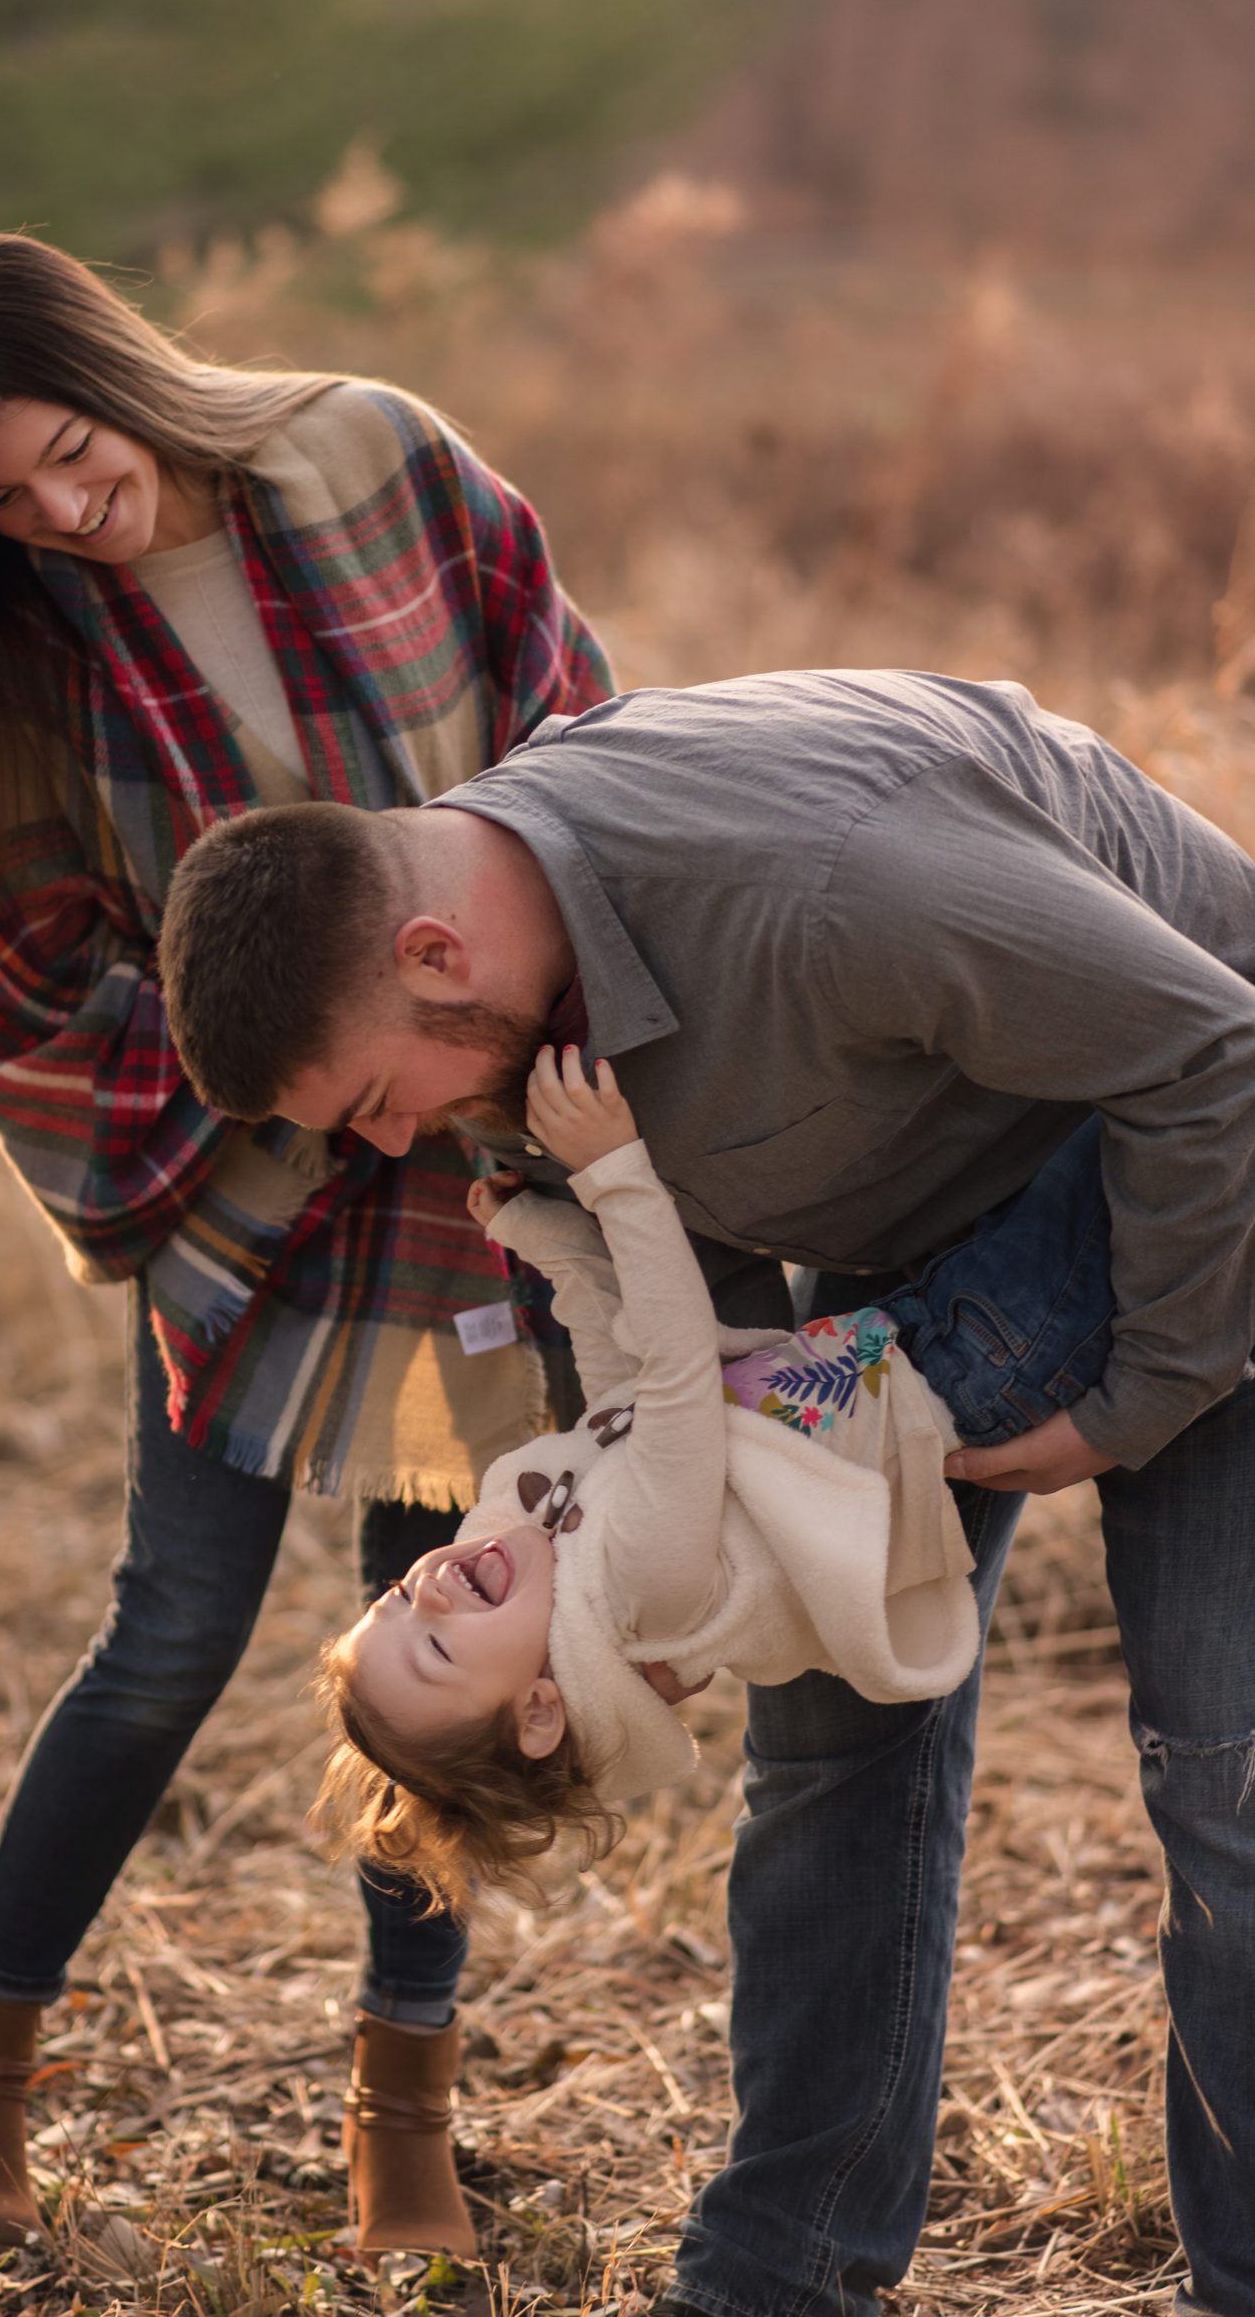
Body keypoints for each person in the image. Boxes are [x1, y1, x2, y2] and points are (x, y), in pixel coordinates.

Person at [156, 670, 1255, 2317]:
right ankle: (775, 2280)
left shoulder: (828, 880)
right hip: (890, 1320)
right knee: (823, 1773)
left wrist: (1139, 1399)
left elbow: (1211, 1052)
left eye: (377, 1098)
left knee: (1221, 1784)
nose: (395, 1142)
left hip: (1193, 1164)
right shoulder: (520, 1039)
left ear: (433, 956)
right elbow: (656, 1360)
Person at [0, 230, 611, 2255]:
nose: (67, 511)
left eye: (73, 450)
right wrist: (283, 1093)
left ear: (121, 375)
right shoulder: (3, 669)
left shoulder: (369, 461)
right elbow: (16, 995)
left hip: (477, 1150)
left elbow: (576, 729)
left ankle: (394, 2115)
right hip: (242, 1202)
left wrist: (504, 1025)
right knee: (168, 1631)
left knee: (425, 1642)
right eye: (6, 502)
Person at [317, 1045, 1113, 1918]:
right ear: (539, 1711)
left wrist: (550, 1246)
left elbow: (615, 1394)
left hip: (908, 1336)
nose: (426, 1596)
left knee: (1093, 1111)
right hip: (969, 1363)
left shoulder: (559, 1549)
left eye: (392, 1598)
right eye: (433, 1649)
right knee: (1137, 1132)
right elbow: (671, 1375)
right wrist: (613, 1172)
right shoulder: (641, 1592)